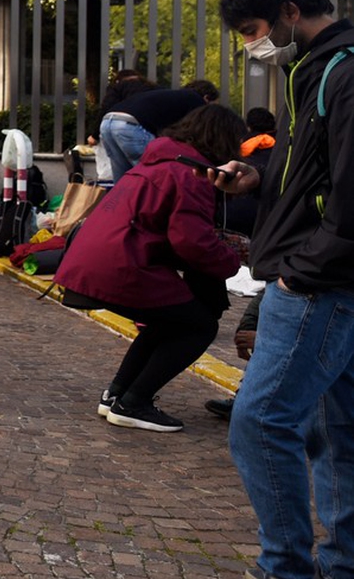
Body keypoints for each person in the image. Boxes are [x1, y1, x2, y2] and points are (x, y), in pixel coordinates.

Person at [210, 0, 354, 579]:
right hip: (320, 272)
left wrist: (301, 271)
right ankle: (344, 573)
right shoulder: (316, 71)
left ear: (291, 11)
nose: (251, 45)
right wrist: (256, 175)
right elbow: (308, 168)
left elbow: (349, 199)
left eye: (254, 30)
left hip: (321, 281)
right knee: (337, 430)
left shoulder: (342, 72)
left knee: (261, 420)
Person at [54, 105, 245, 432]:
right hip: (123, 265)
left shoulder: (156, 162)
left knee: (167, 321)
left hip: (94, 261)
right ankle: (134, 401)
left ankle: (116, 395)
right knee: (200, 326)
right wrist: (233, 260)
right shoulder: (192, 173)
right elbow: (191, 241)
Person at [98, 79, 221, 185]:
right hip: (130, 126)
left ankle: (120, 208)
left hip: (108, 122)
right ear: (206, 98)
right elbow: (196, 134)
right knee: (154, 176)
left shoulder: (172, 97)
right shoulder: (196, 101)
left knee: (122, 179)